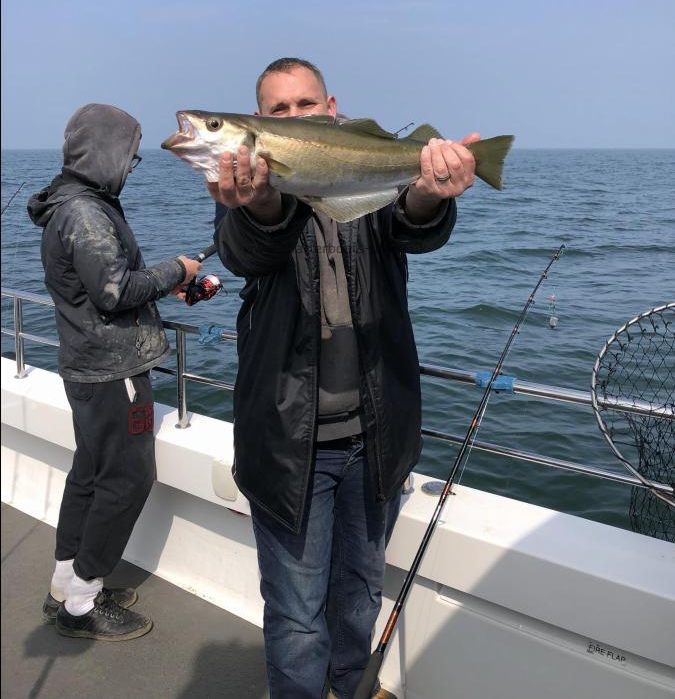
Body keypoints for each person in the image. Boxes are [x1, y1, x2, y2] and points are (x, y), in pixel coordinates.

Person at [209, 58, 478, 698]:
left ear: (332, 107)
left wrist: (429, 186)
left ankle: (347, 686)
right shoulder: (240, 192)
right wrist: (263, 203)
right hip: (286, 440)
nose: (294, 116)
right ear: (258, 124)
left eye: (305, 104)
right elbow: (246, 248)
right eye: (278, 110)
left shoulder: (367, 167)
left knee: (360, 593)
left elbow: (411, 225)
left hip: (376, 433)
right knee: (298, 616)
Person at [27, 103, 202, 641]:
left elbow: (108, 284)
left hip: (88, 367)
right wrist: (178, 269)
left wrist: (163, 282)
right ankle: (82, 602)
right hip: (112, 372)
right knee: (127, 480)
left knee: (90, 474)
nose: (132, 165)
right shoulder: (85, 213)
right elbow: (114, 291)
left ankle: (67, 582)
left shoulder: (73, 205)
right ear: (103, 152)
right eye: (129, 154)